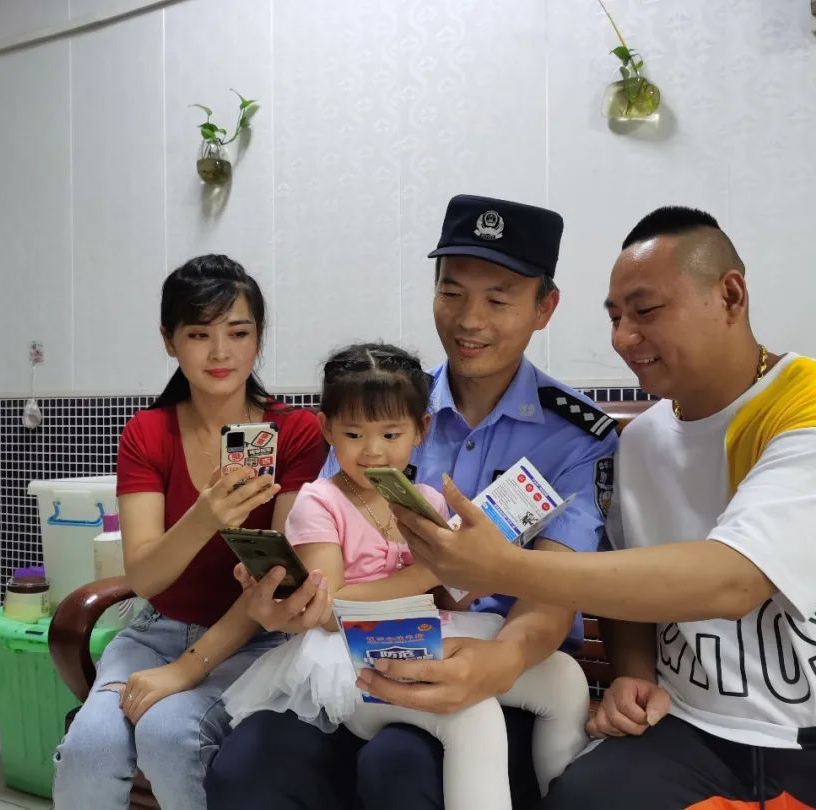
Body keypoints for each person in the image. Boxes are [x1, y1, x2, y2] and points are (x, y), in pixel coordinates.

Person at [391, 207, 816, 809]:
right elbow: (624, 576)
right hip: (694, 727)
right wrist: (634, 671)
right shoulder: (641, 441)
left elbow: (734, 580)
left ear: (730, 295)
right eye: (615, 317)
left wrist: (498, 567)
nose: (624, 337)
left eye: (645, 311)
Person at [207, 195, 618, 810]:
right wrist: (285, 601)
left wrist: (498, 660)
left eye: (498, 299)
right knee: (247, 765)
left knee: (400, 766)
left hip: (506, 665)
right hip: (363, 652)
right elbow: (327, 551)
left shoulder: (576, 436)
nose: (469, 319)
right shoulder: (381, 405)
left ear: (544, 308)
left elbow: (553, 593)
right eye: (451, 292)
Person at [220, 342, 588, 810]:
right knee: (471, 715)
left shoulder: (426, 501)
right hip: (352, 661)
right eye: (354, 434)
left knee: (565, 678)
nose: (373, 450)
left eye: (391, 434)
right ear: (327, 429)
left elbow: (448, 599)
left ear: (421, 430)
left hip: (426, 637)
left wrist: (485, 567)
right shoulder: (319, 502)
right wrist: (429, 570)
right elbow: (328, 610)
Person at [52, 255, 326, 810]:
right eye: (199, 334)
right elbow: (145, 578)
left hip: (257, 636)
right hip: (157, 630)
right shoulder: (147, 433)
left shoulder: (295, 432)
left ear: (258, 337)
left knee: (171, 735)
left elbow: (277, 580)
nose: (220, 352)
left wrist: (189, 667)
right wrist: (205, 517)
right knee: (90, 749)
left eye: (238, 333)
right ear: (169, 340)